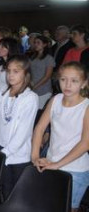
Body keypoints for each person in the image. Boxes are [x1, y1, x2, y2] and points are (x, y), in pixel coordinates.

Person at [32, 61, 89, 212]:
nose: (68, 85)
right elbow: (39, 129)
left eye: (74, 81)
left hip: (75, 169)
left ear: (84, 83)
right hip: (51, 163)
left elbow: (85, 143)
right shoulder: (55, 100)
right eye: (63, 79)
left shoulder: (86, 106)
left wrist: (57, 165)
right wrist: (35, 157)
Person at [0, 54, 39, 198]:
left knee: (16, 197)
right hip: (0, 152)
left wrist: (5, 153)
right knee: (2, 194)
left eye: (16, 71)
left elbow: (23, 132)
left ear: (26, 73)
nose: (10, 75)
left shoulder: (30, 98)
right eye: (9, 71)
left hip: (18, 156)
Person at [30, 35, 55, 110]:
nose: (36, 45)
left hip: (43, 90)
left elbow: (47, 76)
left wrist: (34, 86)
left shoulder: (49, 58)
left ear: (44, 44)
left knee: (39, 112)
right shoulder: (33, 57)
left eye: (38, 43)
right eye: (35, 43)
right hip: (33, 87)